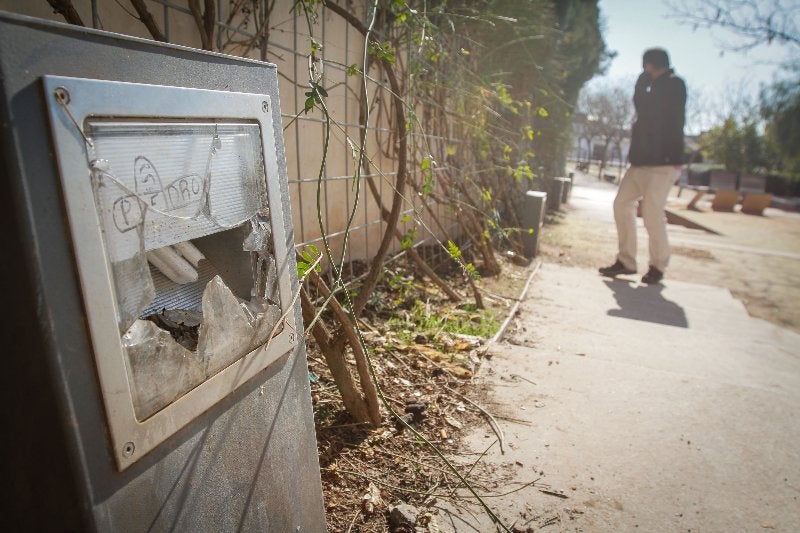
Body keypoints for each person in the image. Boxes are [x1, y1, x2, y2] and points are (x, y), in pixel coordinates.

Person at [599, 47, 686, 285]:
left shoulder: (674, 85)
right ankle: (626, 261)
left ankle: (658, 266)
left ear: (650, 65)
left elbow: (647, 110)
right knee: (621, 204)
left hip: (663, 164)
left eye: (645, 66)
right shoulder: (653, 87)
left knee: (652, 214)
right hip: (640, 162)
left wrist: (641, 85)